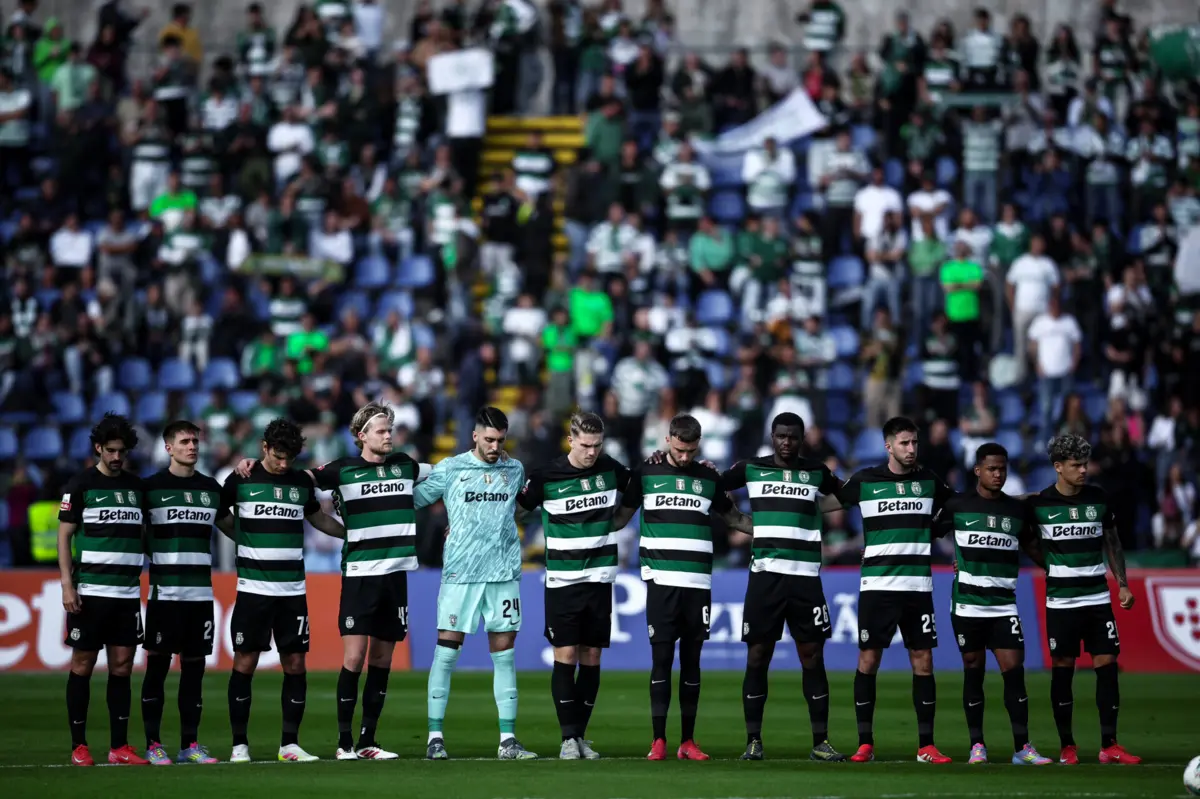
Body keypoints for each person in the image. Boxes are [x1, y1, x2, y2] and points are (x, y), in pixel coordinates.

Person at [235, 402, 432, 760]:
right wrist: (252, 464)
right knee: (354, 658)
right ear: (362, 436)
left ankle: (368, 740)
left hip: (396, 576)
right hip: (359, 575)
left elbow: (446, 473)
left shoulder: (406, 465)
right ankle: (344, 744)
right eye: (382, 431)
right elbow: (295, 477)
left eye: (391, 430)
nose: (389, 436)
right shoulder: (341, 470)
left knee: (383, 659)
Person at [608, 413, 753, 761]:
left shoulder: (708, 477)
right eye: (681, 449)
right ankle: (659, 740)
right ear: (669, 438)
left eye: (692, 451)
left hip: (698, 583)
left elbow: (733, 518)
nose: (686, 457)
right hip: (661, 582)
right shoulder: (647, 473)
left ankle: (687, 741)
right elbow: (620, 517)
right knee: (661, 660)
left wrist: (775, 527)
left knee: (692, 663)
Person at [719, 412, 847, 762]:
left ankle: (821, 742)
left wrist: (816, 510)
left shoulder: (817, 472)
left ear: (802, 438)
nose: (786, 442)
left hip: (806, 578)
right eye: (780, 436)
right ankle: (754, 741)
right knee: (758, 656)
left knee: (812, 656)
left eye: (792, 436)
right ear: (772, 437)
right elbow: (714, 487)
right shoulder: (751, 469)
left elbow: (848, 495)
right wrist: (739, 521)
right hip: (766, 577)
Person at [220, 419, 347, 764]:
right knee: (245, 662)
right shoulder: (241, 479)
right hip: (254, 590)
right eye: (278, 456)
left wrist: (350, 536)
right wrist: (244, 537)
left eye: (289, 457)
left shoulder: (299, 482)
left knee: (295, 662)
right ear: (264, 448)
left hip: (292, 590)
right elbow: (219, 513)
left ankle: (289, 745)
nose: (283, 463)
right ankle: (239, 746)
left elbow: (317, 518)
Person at [416, 407, 537, 761]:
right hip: (461, 574)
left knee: (505, 656)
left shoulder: (514, 470)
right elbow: (415, 499)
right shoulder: (451, 468)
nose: (495, 446)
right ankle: (435, 736)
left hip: (502, 574)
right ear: (474, 436)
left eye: (500, 440)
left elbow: (520, 508)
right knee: (447, 653)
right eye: (488, 439)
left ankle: (508, 740)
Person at [832, 416, 955, 763]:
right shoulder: (865, 481)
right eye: (904, 443)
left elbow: (959, 508)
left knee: (924, 661)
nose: (911, 449)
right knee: (868, 660)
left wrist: (932, 531)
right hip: (878, 587)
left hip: (918, 587)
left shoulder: (929, 481)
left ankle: (926, 746)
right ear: (888, 446)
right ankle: (865, 744)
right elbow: (830, 503)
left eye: (915, 442)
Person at [516, 411, 631, 760]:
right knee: (565, 656)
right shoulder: (547, 476)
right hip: (563, 580)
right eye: (585, 445)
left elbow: (642, 487)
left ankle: (580, 736)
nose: (592, 452)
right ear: (571, 440)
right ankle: (568, 738)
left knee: (592, 656)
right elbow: (515, 511)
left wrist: (619, 521)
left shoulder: (611, 469)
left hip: (599, 576)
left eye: (597, 445)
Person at [1025, 433, 1141, 764]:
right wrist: (1047, 563)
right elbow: (1020, 534)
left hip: (1097, 600)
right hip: (1061, 603)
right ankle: (1067, 746)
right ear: (1058, 467)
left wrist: (1123, 584)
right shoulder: (1040, 505)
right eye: (1076, 465)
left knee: (1107, 666)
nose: (1083, 470)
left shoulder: (1098, 499)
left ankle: (1109, 744)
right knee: (1063, 669)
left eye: (1085, 464)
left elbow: (1113, 544)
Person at [935, 443, 1053, 766]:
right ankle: (977, 746)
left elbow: (1032, 546)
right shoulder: (958, 505)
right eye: (991, 468)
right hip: (968, 606)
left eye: (1002, 468)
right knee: (973, 673)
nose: (998, 474)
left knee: (1014, 673)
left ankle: (1022, 748)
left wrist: (1057, 571)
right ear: (977, 470)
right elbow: (927, 534)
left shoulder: (1016, 510)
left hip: (1003, 606)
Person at [59, 414, 150, 766]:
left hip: (126, 593)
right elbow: (64, 536)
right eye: (110, 451)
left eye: (121, 452)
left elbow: (144, 537)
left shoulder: (136, 488)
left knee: (123, 666)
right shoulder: (80, 484)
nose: (116, 457)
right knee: (82, 663)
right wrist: (68, 585)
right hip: (91, 592)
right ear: (98, 448)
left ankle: (119, 747)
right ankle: (79, 745)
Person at [140, 420, 232, 765]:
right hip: (165, 596)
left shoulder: (210, 489)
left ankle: (189, 745)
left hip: (201, 596)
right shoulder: (150, 488)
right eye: (184, 441)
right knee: (158, 669)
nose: (192, 446)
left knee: (194, 670)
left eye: (195, 441)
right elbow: (138, 534)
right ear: (168, 447)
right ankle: (153, 744)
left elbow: (232, 528)